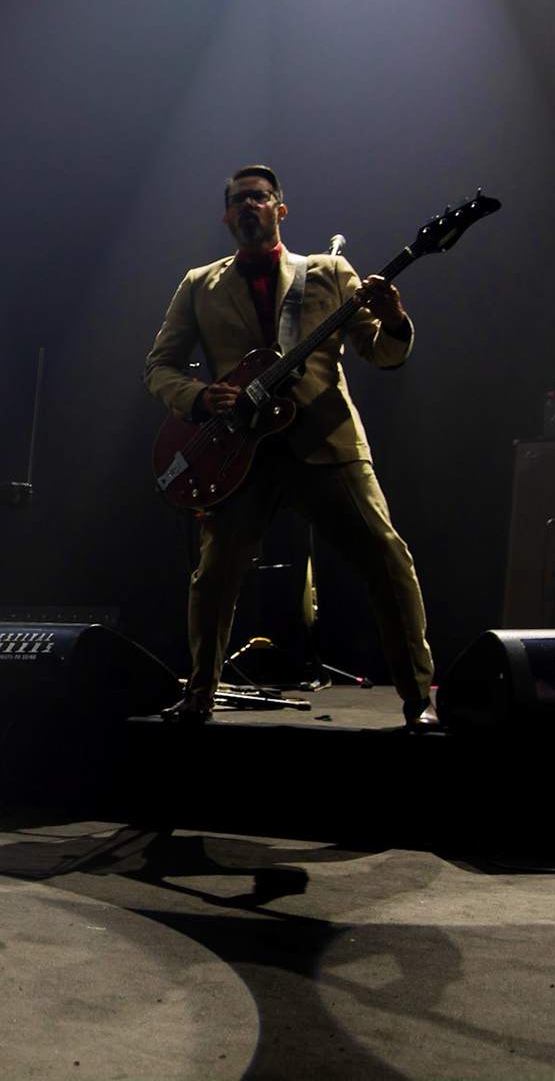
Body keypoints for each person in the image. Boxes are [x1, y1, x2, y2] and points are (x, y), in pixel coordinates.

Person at [144, 166, 436, 729]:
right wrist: (203, 398)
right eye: (238, 200)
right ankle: (200, 694)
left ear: (280, 209)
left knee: (386, 559)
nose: (249, 205)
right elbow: (159, 366)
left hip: (324, 443)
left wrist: (395, 317)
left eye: (260, 197)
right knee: (214, 577)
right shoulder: (199, 283)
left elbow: (383, 354)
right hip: (238, 453)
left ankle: (419, 699)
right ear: (227, 217)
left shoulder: (327, 272)